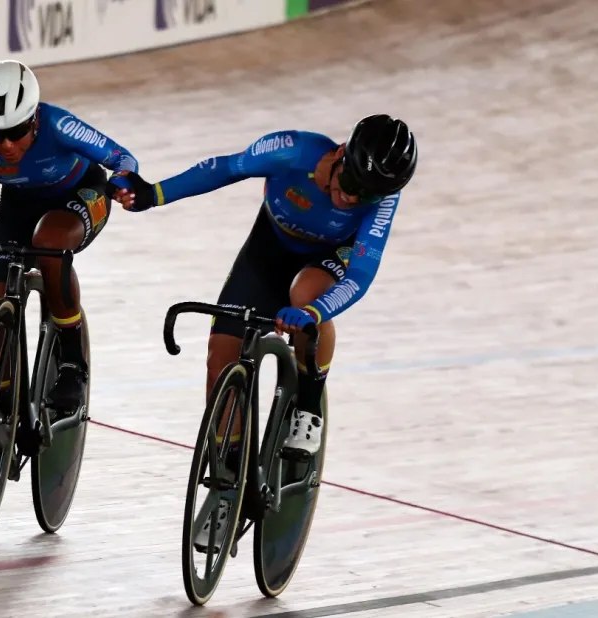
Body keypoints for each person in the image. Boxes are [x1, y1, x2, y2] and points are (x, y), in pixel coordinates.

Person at [110, 114, 417, 550]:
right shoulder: (294, 150)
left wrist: (315, 311)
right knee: (221, 358)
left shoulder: (383, 200)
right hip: (266, 252)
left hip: (324, 264)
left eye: (365, 195)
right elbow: (224, 168)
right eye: (350, 181)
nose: (351, 197)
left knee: (304, 294)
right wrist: (154, 194)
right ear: (341, 154)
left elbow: (361, 273)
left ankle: (308, 404)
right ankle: (228, 478)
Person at [0, 59, 138, 425]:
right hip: (19, 206)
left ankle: (73, 363)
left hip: (80, 194)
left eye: (17, 131)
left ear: (35, 119)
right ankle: (7, 400)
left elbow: (123, 157)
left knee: (50, 243)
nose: (7, 144)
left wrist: (123, 179)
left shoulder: (59, 124)